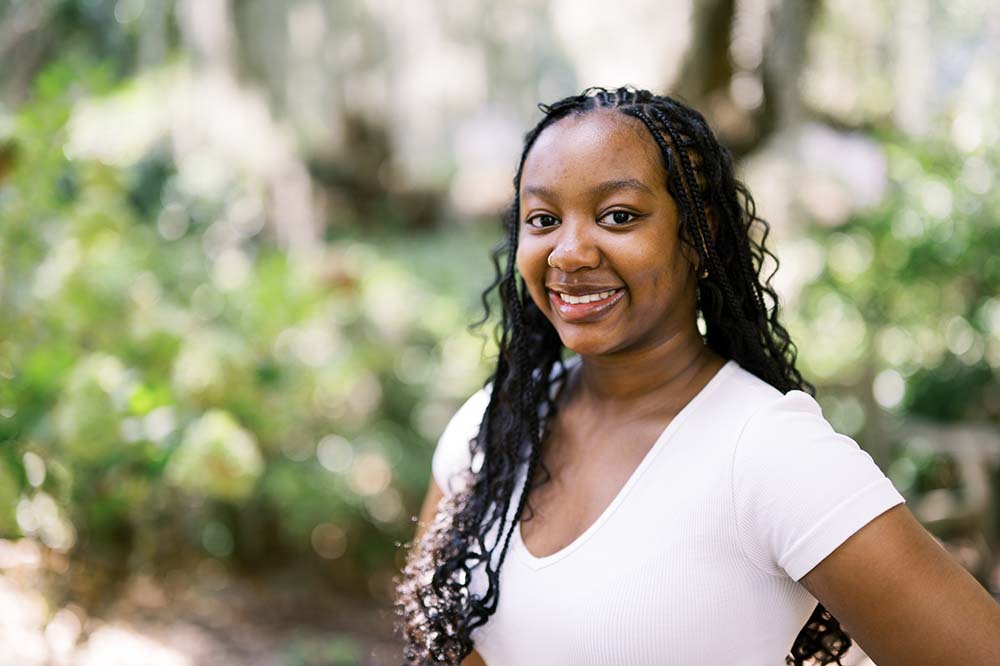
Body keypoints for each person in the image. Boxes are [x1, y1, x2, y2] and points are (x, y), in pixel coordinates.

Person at [394, 87, 1000, 665]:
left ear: (698, 233)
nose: (569, 252)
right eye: (543, 219)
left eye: (618, 215)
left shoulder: (769, 453)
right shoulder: (489, 426)